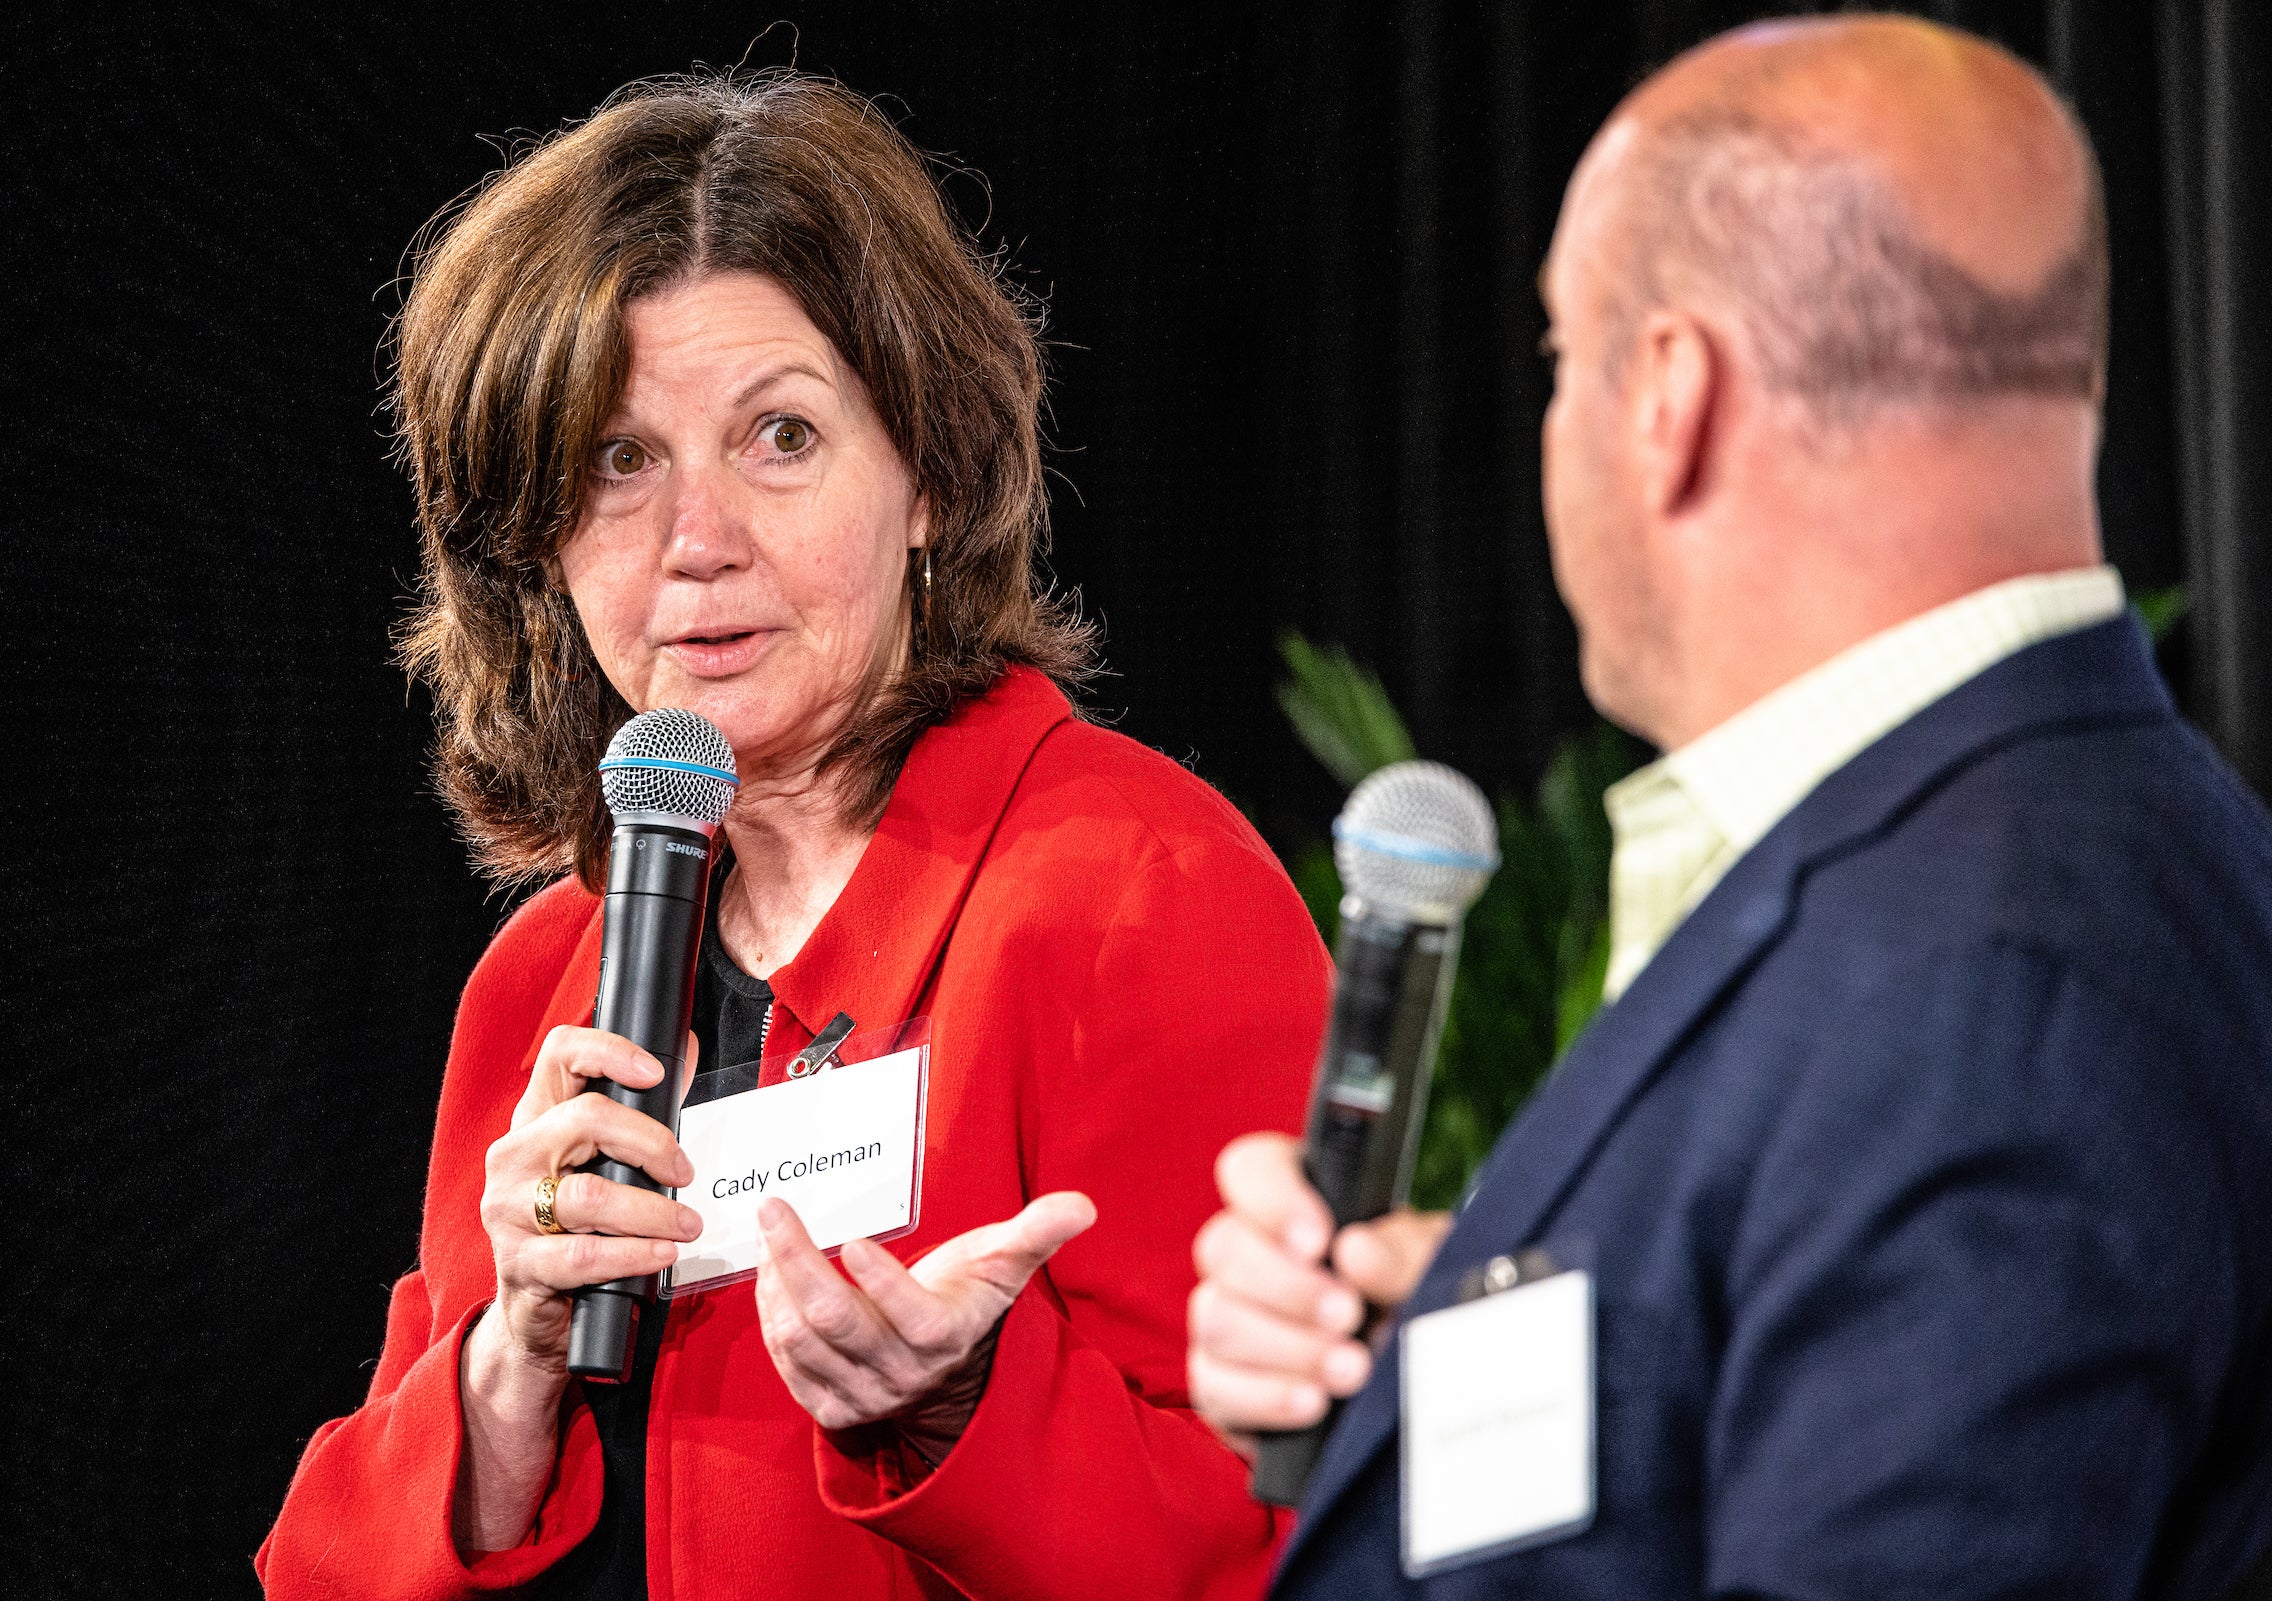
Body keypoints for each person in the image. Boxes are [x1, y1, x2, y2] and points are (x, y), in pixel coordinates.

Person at [1188, 16, 2272, 1598]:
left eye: (1565, 356)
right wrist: (1452, 1347)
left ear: (1666, 397)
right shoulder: (2052, 845)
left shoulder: (1979, 979)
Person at [257, 72, 1329, 1600]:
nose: (699, 542)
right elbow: (322, 1578)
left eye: (779, 436)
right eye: (619, 460)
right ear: (538, 540)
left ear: (930, 479)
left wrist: (960, 1409)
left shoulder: (1138, 893)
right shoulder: (543, 981)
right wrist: (513, 1360)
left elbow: (1278, 1541)